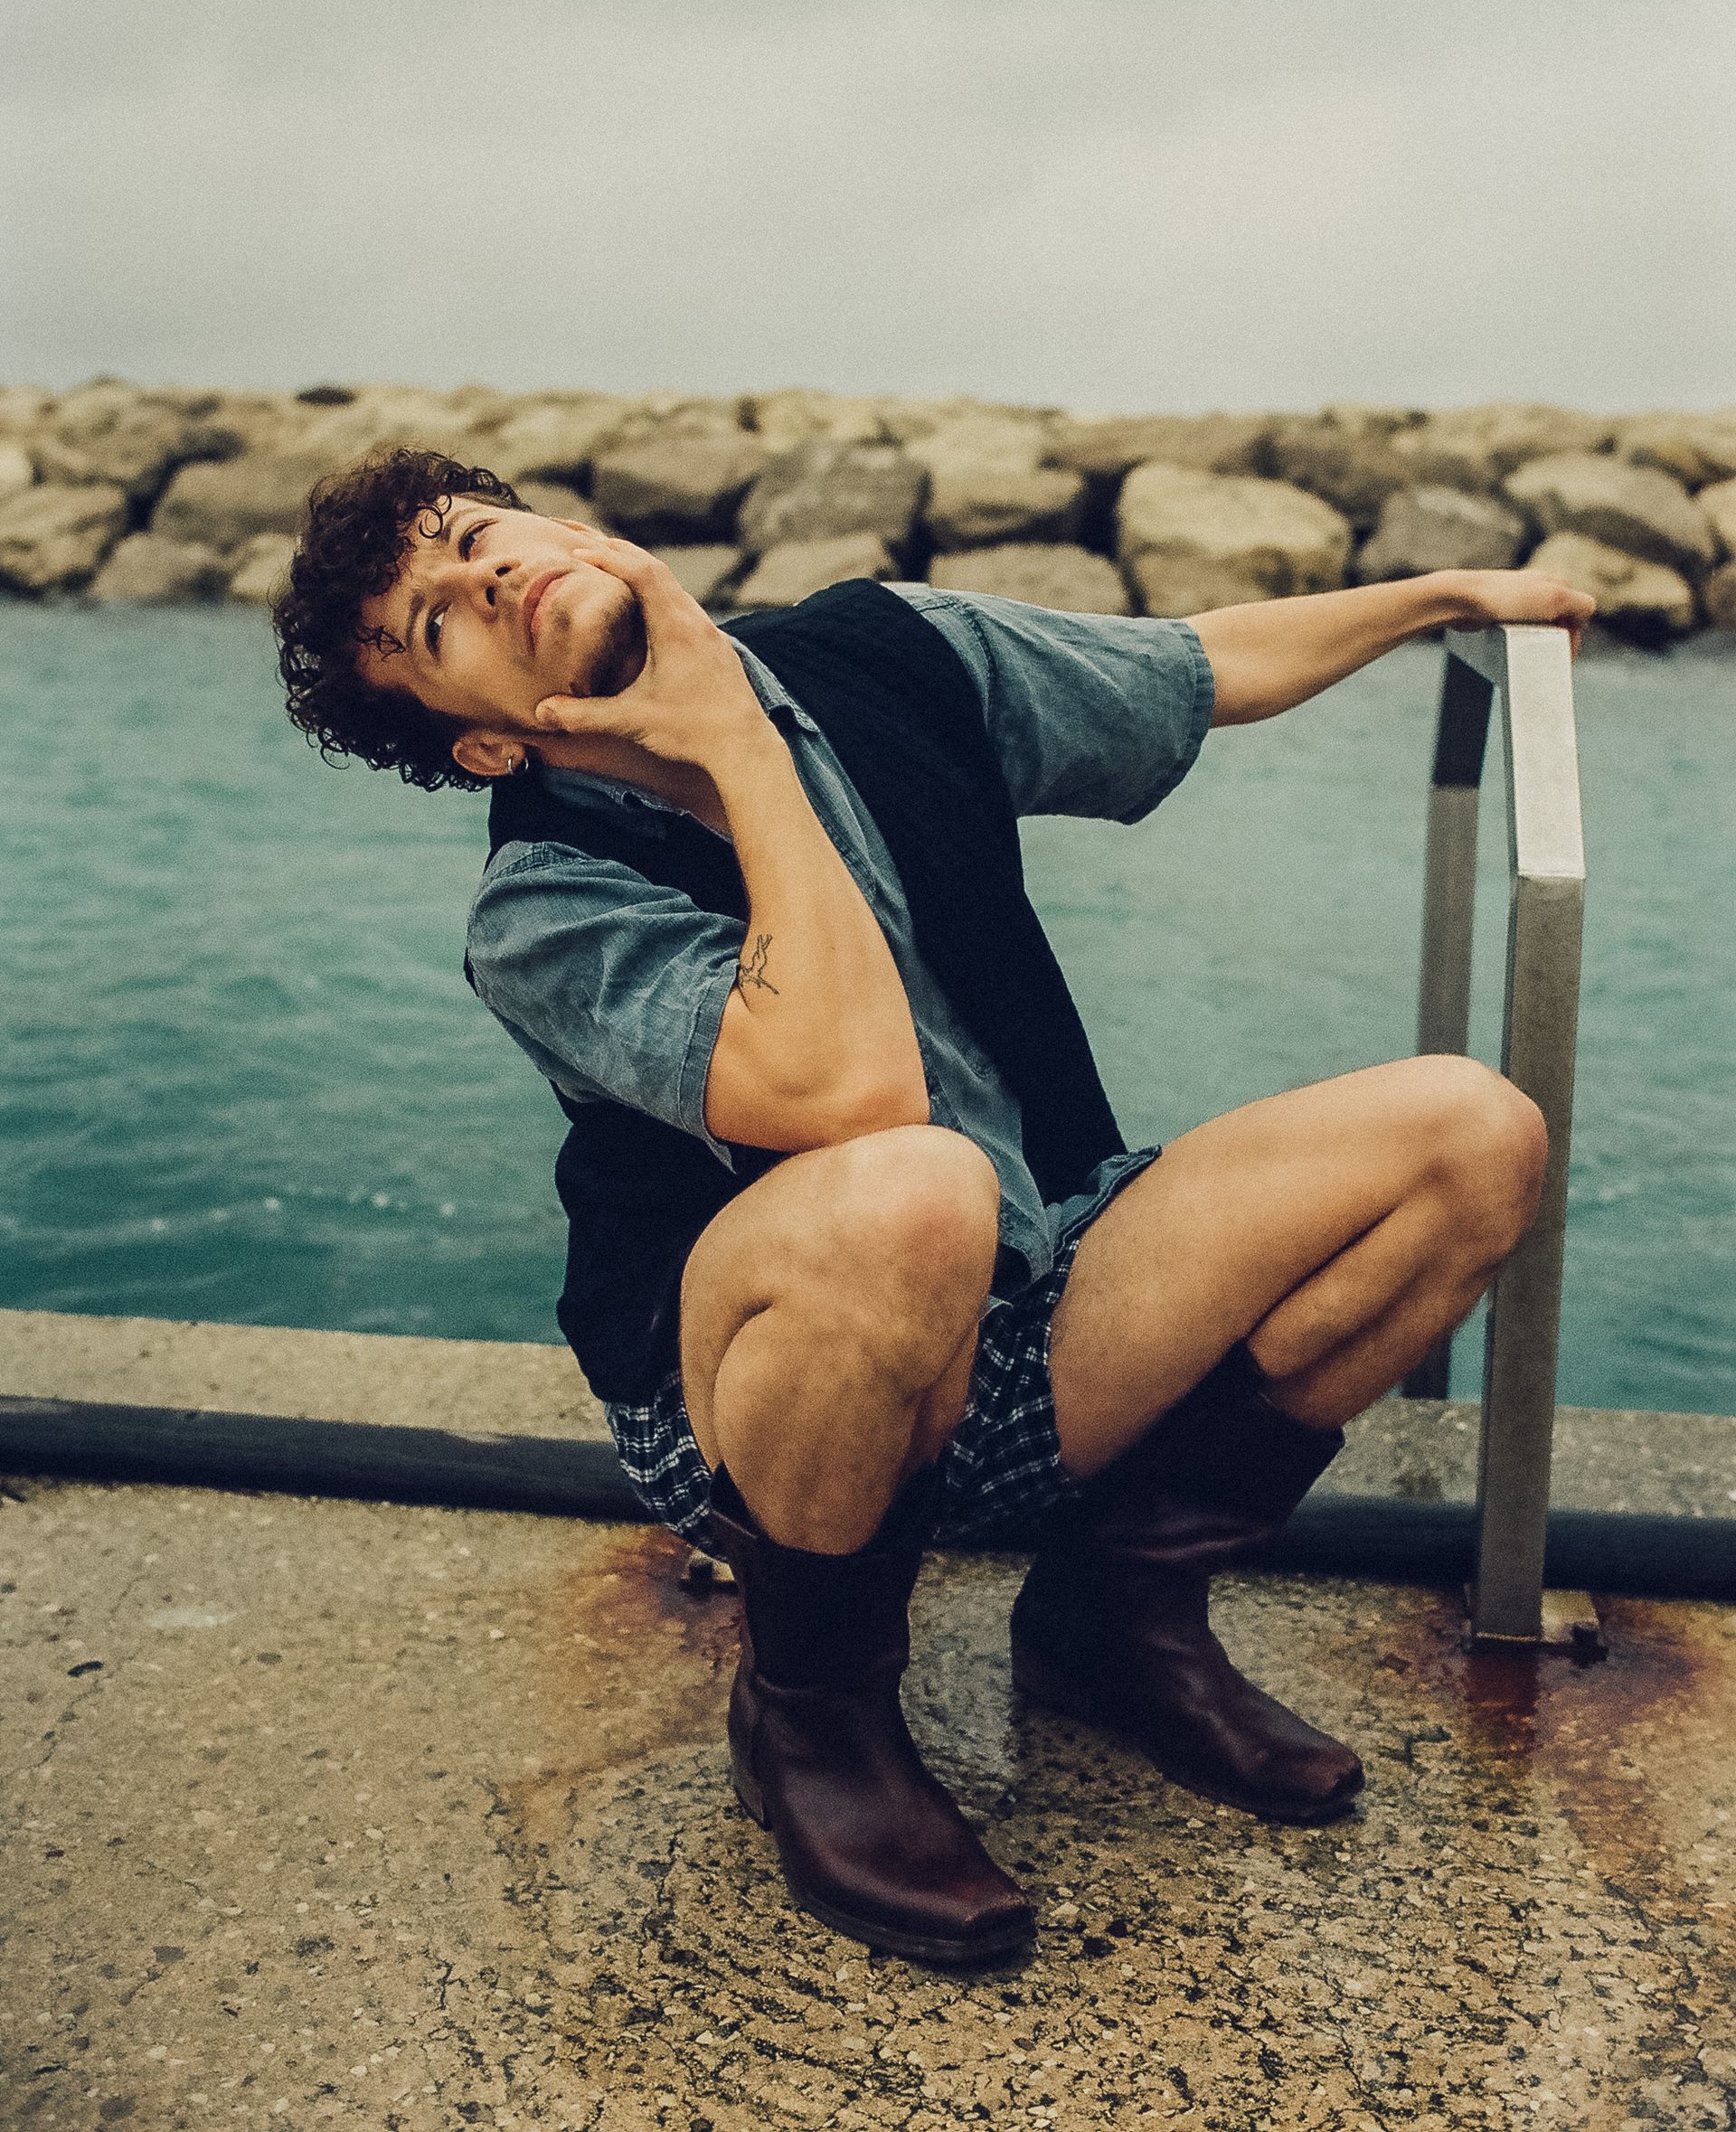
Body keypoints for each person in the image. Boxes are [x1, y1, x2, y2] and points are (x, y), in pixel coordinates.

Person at [273, 444, 1595, 1972]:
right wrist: (740, 754)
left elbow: (1194, 668)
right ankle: (813, 1711)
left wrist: (1443, 596)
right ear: (486, 746)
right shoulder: (546, 907)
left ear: (569, 527)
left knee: (1470, 1135)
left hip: (1033, 1307)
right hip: (773, 1412)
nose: (482, 575)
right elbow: (853, 1098)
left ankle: (1115, 1615)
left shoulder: (878, 651)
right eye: (435, 623)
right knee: (912, 1187)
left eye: (472, 534)